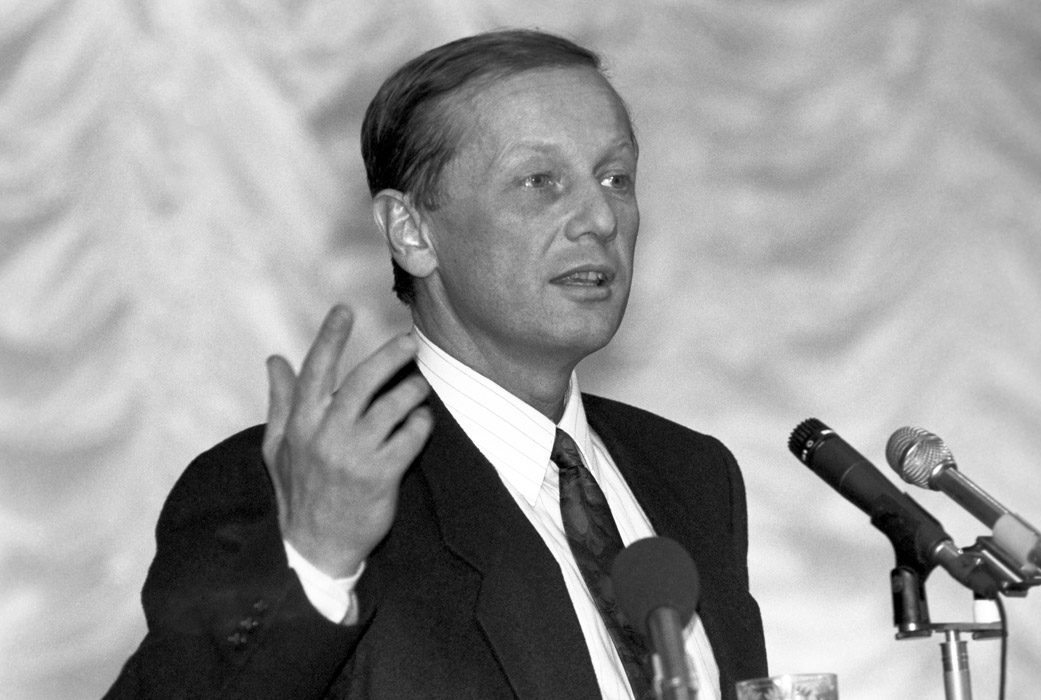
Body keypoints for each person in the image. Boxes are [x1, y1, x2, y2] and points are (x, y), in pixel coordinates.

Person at [106, 28, 767, 700]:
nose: (599, 217)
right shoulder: (287, 487)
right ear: (411, 231)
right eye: (539, 181)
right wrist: (312, 562)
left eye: (616, 177)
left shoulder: (692, 475)